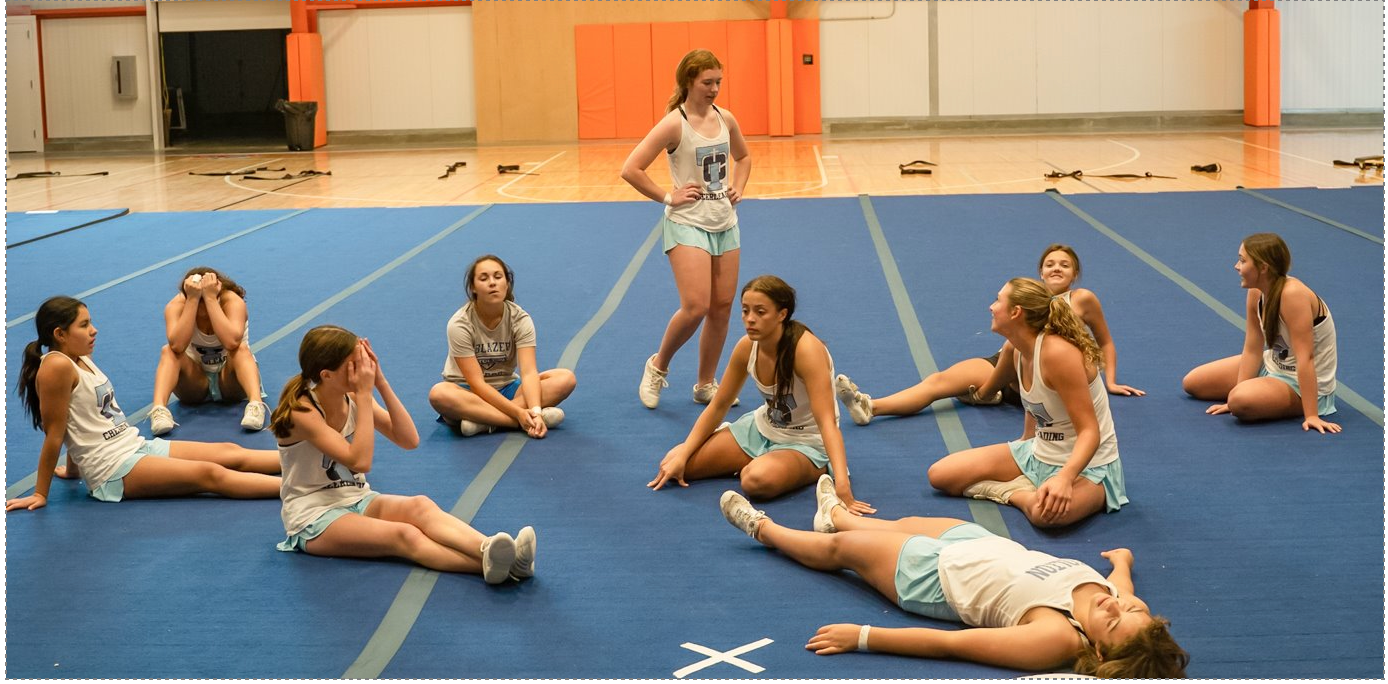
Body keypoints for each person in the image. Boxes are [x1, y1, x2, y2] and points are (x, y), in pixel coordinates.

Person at [717, 482, 1188, 677]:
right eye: (1134, 608)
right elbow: (1120, 582)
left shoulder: (1056, 637)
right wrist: (1122, 558)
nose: (1116, 605)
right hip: (979, 545)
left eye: (1113, 620)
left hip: (931, 578)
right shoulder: (1124, 608)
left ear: (1101, 651)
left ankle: (765, 529)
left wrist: (863, 637)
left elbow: (954, 646)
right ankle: (836, 516)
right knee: (897, 525)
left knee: (842, 554)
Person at [271, 325, 535, 583]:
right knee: (404, 536)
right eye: (355, 364)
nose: (364, 368)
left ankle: (487, 546)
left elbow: (409, 439)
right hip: (313, 515)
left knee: (420, 505)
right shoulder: (303, 412)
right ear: (327, 375)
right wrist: (364, 395)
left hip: (356, 497)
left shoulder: (351, 396)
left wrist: (381, 383)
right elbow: (360, 461)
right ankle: (500, 566)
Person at [7, 296, 281, 512]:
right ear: (60, 334)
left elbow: (81, 417)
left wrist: (73, 468)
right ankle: (300, 487)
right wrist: (41, 493)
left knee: (229, 452)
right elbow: (55, 433)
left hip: (134, 445)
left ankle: (311, 462)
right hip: (112, 468)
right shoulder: (56, 366)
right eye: (84, 325)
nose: (94, 330)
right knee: (209, 474)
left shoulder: (81, 357)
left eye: (90, 322)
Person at [835, 244, 1142, 426]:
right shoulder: (1028, 296)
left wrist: (1110, 380)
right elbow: (1010, 350)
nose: (1056, 268)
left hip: (1048, 379)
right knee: (939, 382)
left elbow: (1105, 341)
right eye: (1050, 264)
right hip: (1006, 368)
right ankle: (871, 406)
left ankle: (985, 397)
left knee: (984, 386)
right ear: (1040, 273)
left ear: (1075, 274)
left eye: (1065, 264)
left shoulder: (1082, 299)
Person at [649, 275, 873, 514]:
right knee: (675, 463)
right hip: (760, 430)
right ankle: (757, 458)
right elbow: (718, 405)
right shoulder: (747, 346)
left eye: (760, 312)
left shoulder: (807, 350)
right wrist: (685, 451)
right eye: (745, 311)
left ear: (782, 314)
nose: (750, 319)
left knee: (755, 480)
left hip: (807, 443)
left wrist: (842, 485)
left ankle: (813, 468)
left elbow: (827, 422)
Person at [925, 278, 1127, 528]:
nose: (991, 306)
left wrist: (1065, 478)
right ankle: (1025, 488)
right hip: (1039, 453)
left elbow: (1090, 431)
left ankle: (1014, 494)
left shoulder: (1058, 354)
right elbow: (1036, 405)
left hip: (1089, 466)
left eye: (998, 300)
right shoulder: (1015, 349)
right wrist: (1024, 443)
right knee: (941, 475)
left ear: (1015, 312)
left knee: (1047, 516)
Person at [621, 48, 752, 409]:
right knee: (696, 305)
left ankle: (706, 383)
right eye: (707, 82)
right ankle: (657, 366)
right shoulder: (673, 124)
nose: (714, 89)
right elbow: (631, 168)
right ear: (688, 82)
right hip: (688, 223)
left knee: (722, 307)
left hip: (725, 222)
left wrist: (739, 185)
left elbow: (743, 157)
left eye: (718, 83)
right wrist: (668, 196)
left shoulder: (726, 119)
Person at [1182, 233, 1339, 433]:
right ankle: (1256, 391)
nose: (1236, 267)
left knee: (1240, 401)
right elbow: (1253, 348)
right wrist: (1237, 392)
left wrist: (1312, 415)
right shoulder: (1256, 291)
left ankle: (1286, 400)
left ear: (1263, 267)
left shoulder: (1293, 295)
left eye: (1242, 261)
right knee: (1193, 383)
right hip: (1271, 364)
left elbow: (1305, 357)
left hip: (1301, 383)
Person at [427, 254, 576, 438]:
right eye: (484, 278)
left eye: (498, 277)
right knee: (439, 394)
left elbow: (529, 372)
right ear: (473, 288)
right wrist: (519, 414)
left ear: (507, 283)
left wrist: (535, 410)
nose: (492, 283)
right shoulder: (460, 324)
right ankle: (518, 422)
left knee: (565, 379)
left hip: (508, 388)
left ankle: (483, 422)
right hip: (469, 392)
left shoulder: (520, 319)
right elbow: (477, 384)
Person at [148, 266, 269, 436]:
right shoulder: (177, 305)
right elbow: (177, 346)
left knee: (241, 349)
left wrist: (211, 299)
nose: (202, 311)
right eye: (199, 303)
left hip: (231, 380)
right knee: (168, 351)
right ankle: (159, 409)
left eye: (206, 302)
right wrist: (192, 301)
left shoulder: (232, 302)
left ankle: (256, 405)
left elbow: (232, 342)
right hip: (196, 383)